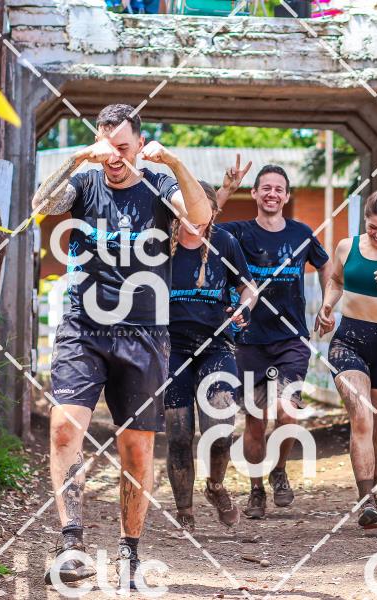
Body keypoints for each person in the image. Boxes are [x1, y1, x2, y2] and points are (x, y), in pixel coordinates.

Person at [32, 104, 210, 589]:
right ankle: (71, 544)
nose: (114, 157)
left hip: (144, 331)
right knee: (64, 428)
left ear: (140, 144)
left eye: (123, 148)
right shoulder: (85, 182)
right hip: (83, 325)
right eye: (106, 147)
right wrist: (75, 159)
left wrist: (174, 162)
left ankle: (130, 551)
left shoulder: (160, 183)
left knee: (135, 448)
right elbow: (41, 204)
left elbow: (199, 219)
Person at [217, 164, 332, 518]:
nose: (272, 194)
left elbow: (325, 265)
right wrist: (226, 189)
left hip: (291, 338)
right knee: (255, 421)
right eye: (265, 188)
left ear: (286, 195)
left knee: (288, 410)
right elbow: (200, 224)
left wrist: (327, 305)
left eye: (278, 189)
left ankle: (279, 470)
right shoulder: (237, 233)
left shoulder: (301, 233)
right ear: (254, 193)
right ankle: (256, 490)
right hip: (249, 340)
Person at [314, 182, 377, 528]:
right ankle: (366, 499)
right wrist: (327, 306)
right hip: (349, 340)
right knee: (362, 416)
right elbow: (336, 281)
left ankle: (373, 491)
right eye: (373, 228)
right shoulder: (347, 247)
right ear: (365, 221)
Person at [164, 181, 258, 533]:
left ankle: (215, 486)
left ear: (212, 212)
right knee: (178, 434)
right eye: (188, 210)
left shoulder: (225, 243)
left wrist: (244, 308)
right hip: (171, 349)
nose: (195, 218)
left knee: (220, 428)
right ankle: (185, 511)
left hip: (216, 346)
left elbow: (248, 287)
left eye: (203, 211)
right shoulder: (160, 243)